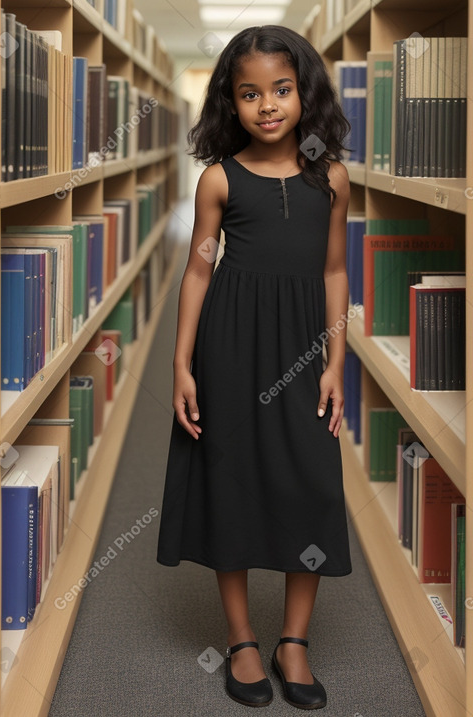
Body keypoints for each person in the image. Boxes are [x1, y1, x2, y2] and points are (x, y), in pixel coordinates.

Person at [157, 24, 352, 710]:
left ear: (304, 93)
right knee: (230, 483)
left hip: (304, 348)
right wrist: (182, 363)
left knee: (314, 484)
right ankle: (241, 638)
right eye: (249, 93)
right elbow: (197, 271)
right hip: (231, 347)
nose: (267, 105)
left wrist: (337, 359)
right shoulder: (219, 178)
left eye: (280, 89)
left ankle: (293, 638)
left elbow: (334, 270)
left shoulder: (330, 176)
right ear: (229, 103)